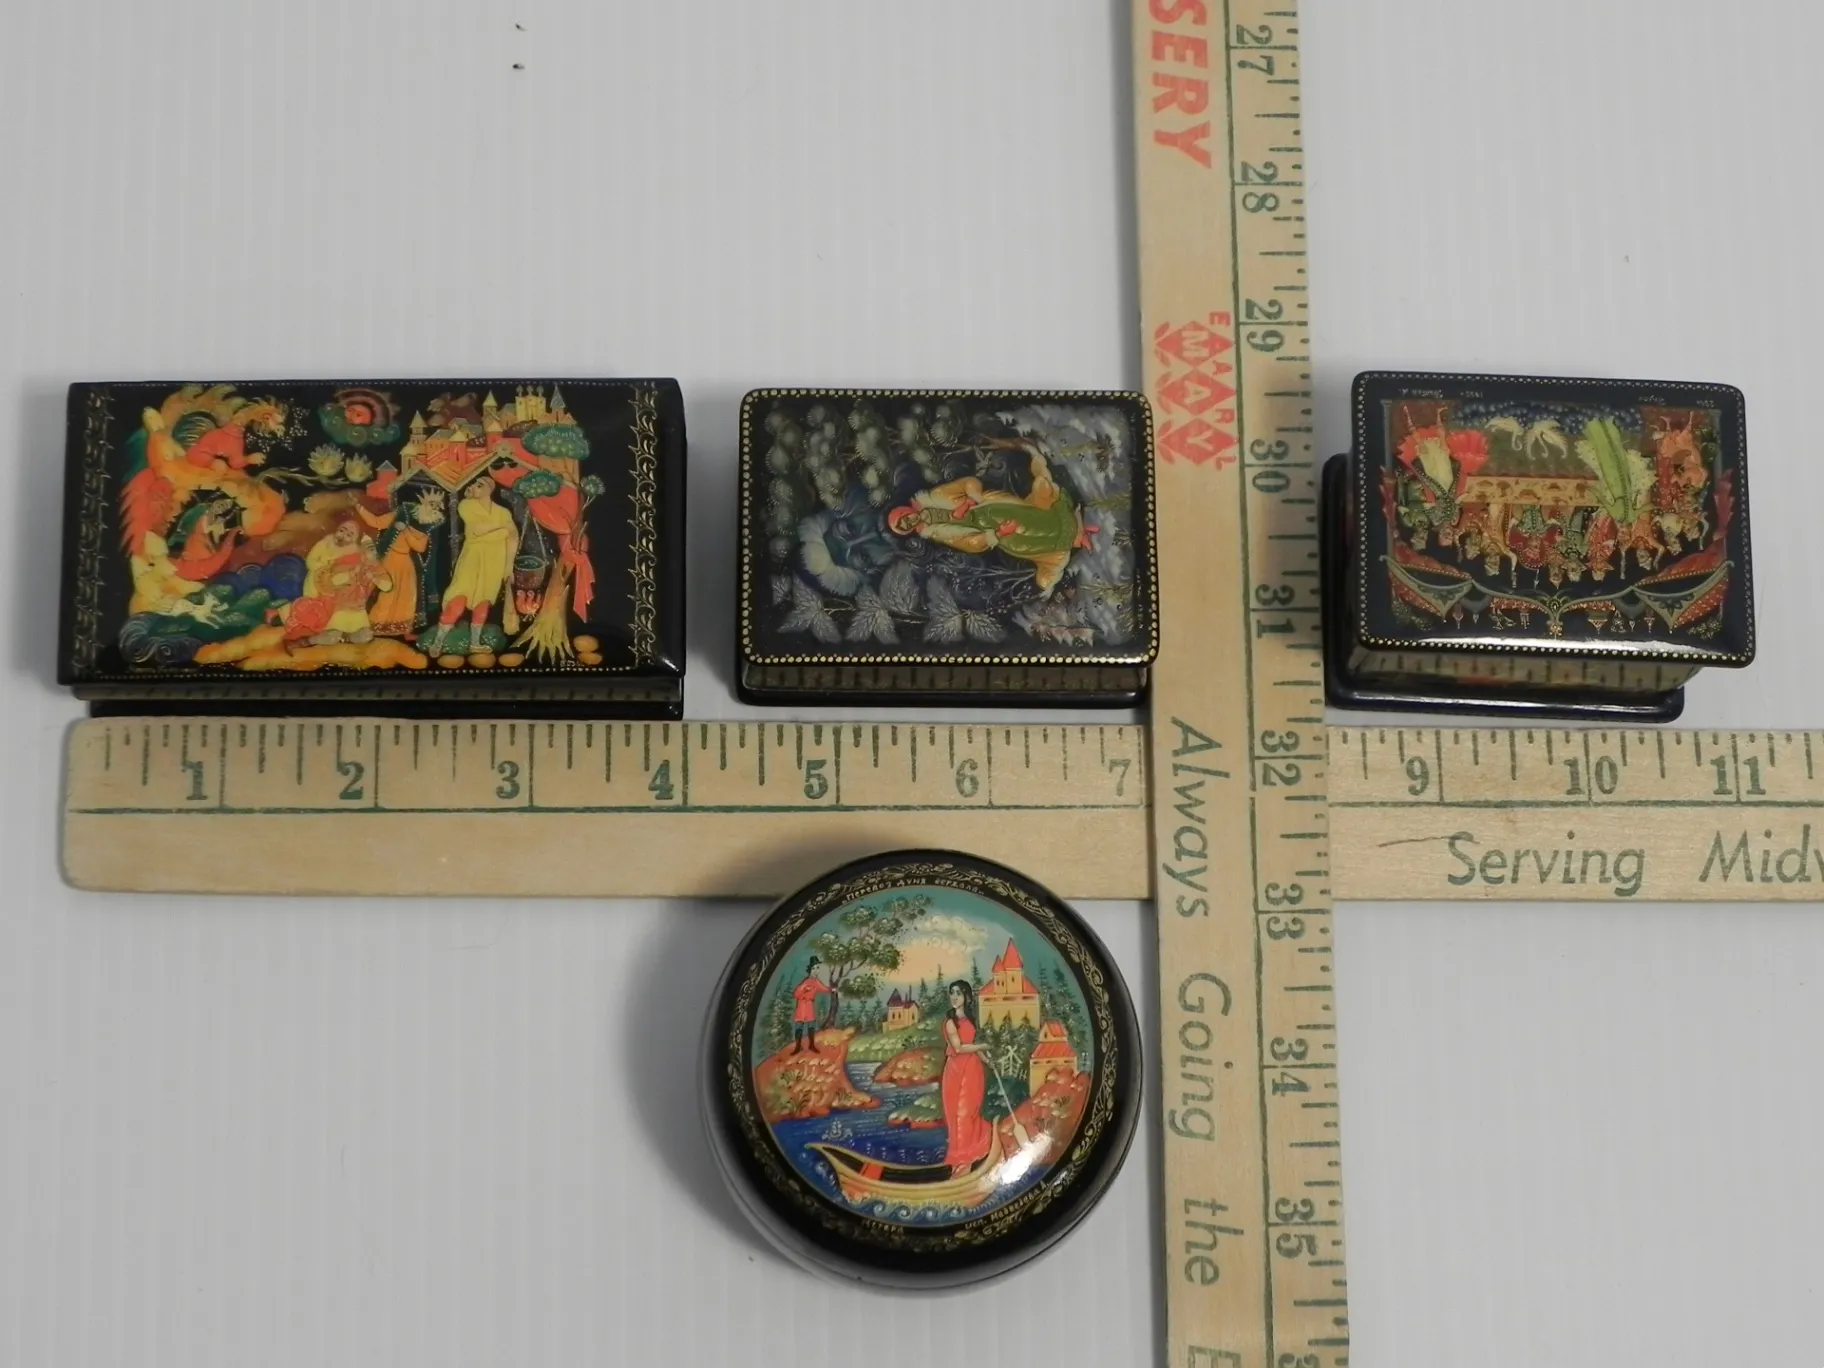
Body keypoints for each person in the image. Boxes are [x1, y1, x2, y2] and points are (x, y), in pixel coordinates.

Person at [886, 440, 1098, 596]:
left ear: (907, 510)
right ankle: (1069, 539)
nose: (909, 521)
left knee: (1027, 514)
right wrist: (997, 534)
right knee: (1018, 541)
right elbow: (968, 543)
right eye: (905, 526)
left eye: (904, 517)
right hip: (993, 531)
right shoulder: (935, 533)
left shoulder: (936, 496)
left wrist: (973, 499)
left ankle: (1070, 528)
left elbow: (969, 483)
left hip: (990, 508)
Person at [424, 476, 518, 655]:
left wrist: (509, 566)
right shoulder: (466, 505)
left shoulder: (502, 512)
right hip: (472, 559)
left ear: (490, 489)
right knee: (458, 599)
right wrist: (503, 531)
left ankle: (475, 643)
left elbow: (513, 537)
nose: (475, 487)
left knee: (483, 602)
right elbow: (477, 530)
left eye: (480, 485)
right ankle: (438, 642)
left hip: (494, 561)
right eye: (473, 485)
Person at [285, 520, 390, 645]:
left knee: (365, 635)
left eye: (349, 534)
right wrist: (347, 573)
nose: (343, 536)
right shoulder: (335, 550)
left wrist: (373, 578)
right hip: (331, 595)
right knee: (327, 627)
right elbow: (332, 575)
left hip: (357, 607)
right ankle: (308, 640)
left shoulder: (372, 565)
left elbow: (387, 585)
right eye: (342, 530)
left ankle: (344, 637)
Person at [940, 980, 994, 1176]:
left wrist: (986, 1059)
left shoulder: (970, 1019)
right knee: (958, 1116)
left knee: (970, 1112)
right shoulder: (950, 1022)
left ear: (967, 997)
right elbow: (959, 1048)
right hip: (955, 1071)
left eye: (958, 993)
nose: (954, 997)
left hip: (972, 1070)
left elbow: (971, 1044)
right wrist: (982, 1047)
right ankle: (959, 1165)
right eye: (952, 993)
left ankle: (968, 1160)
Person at [791, 956, 829, 1054]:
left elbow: (824, 989)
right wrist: (804, 989)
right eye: (814, 968)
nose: (816, 971)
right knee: (799, 1026)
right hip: (801, 1005)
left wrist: (831, 989)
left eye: (817, 968)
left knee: (811, 1026)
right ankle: (798, 1047)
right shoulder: (805, 982)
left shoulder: (816, 982)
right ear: (810, 970)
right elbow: (795, 994)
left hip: (809, 1005)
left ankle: (811, 1045)